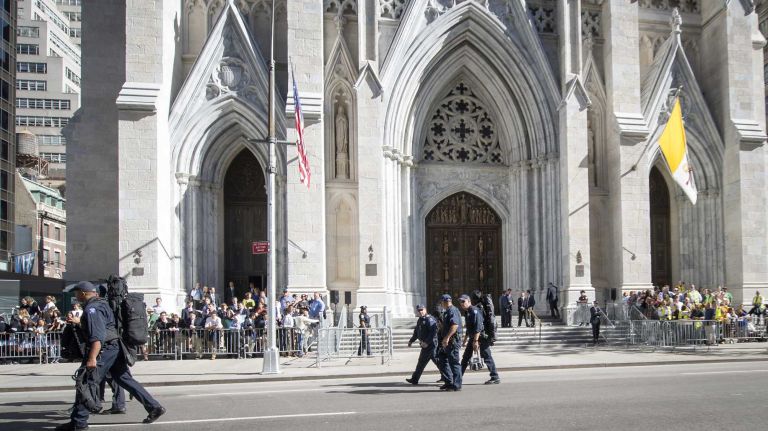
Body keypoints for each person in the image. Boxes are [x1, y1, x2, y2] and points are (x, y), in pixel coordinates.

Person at [55, 281, 165, 431]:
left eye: (76, 293)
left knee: (85, 381)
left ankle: (79, 422)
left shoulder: (92, 309)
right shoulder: (102, 304)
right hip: (115, 346)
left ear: (83, 292)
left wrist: (92, 358)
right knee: (124, 378)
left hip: (104, 349)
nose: (75, 296)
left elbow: (97, 336)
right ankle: (154, 407)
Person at [458, 294, 500, 384]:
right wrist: (465, 340)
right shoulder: (467, 312)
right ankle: (458, 377)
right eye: (460, 302)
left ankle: (495, 376)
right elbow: (469, 328)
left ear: (469, 301)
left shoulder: (474, 311)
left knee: (487, 356)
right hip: (473, 338)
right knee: (465, 357)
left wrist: (476, 341)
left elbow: (478, 327)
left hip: (481, 338)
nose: (462, 303)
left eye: (463, 301)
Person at [405, 304, 440, 385]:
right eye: (419, 310)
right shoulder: (420, 320)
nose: (420, 312)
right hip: (425, 345)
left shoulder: (430, 319)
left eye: (422, 310)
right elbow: (417, 332)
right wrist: (411, 341)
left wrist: (427, 342)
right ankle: (414, 379)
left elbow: (433, 333)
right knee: (422, 362)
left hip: (431, 345)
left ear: (425, 309)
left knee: (438, 362)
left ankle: (448, 377)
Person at [437, 294, 462, 391]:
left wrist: (447, 338)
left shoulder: (452, 310)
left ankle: (456, 385)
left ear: (445, 302)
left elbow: (454, 326)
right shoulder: (447, 311)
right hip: (446, 342)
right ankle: (448, 381)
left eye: (441, 302)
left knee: (454, 363)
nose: (441, 304)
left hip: (452, 341)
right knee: (442, 359)